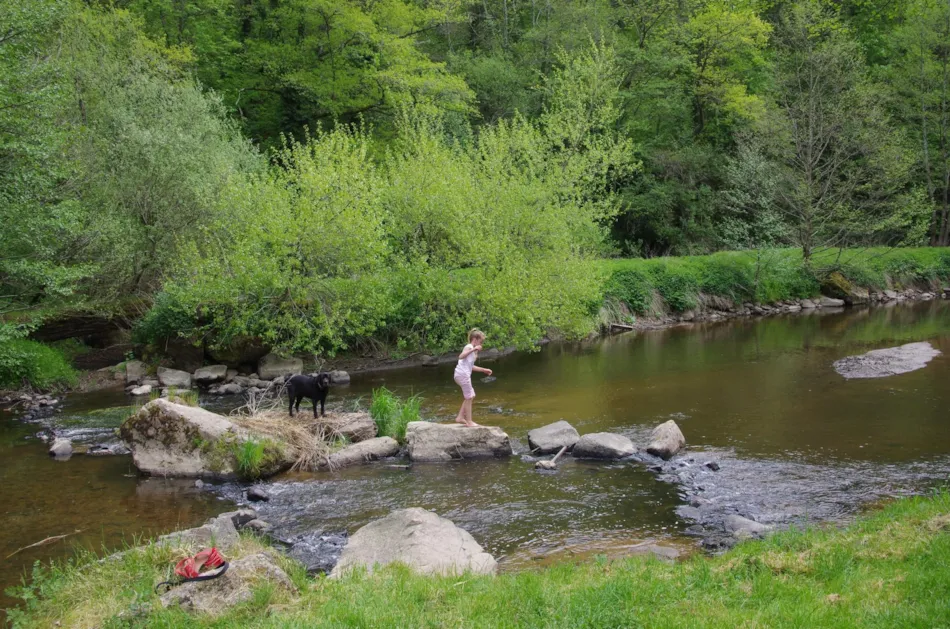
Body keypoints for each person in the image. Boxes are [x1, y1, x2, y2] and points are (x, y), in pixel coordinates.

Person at [453, 328, 493, 426]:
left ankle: (460, 417)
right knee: (469, 396)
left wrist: (483, 370)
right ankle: (469, 421)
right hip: (463, 375)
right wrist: (474, 349)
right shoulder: (469, 347)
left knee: (471, 395)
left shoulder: (472, 349)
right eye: (481, 341)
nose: (481, 344)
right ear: (475, 339)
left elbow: (470, 366)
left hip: (461, 374)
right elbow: (461, 356)